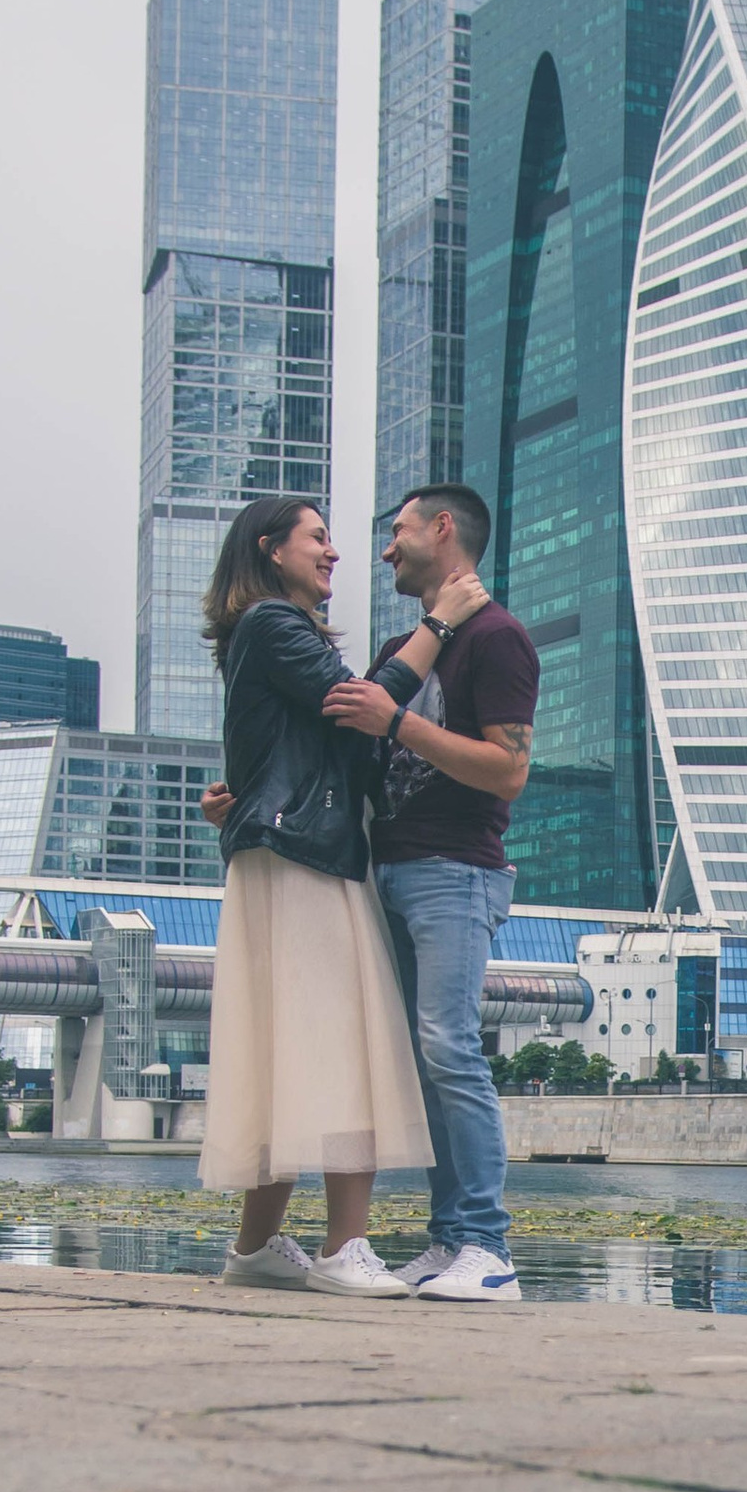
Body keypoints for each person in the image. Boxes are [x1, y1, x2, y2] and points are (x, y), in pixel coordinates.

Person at [195, 492, 479, 1293]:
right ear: (270, 548)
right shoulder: (271, 626)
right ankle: (343, 1249)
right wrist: (441, 624)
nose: (333, 552)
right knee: (343, 1042)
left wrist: (238, 796)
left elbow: (293, 747)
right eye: (318, 538)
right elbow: (360, 713)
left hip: (287, 850)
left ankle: (256, 1250)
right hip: (308, 857)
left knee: (293, 1051)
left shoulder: (269, 636)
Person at [322, 483, 537, 1304]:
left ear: (442, 530)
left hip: (458, 870)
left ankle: (489, 1248)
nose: (385, 551)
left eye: (398, 533)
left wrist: (399, 724)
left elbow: (509, 768)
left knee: (451, 1049)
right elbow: (354, 732)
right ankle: (450, 1243)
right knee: (422, 1061)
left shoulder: (501, 638)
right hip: (393, 868)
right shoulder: (411, 642)